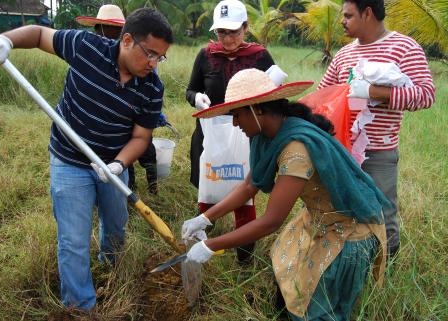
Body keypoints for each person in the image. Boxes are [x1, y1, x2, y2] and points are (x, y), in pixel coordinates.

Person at [0, 8, 173, 309]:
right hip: (69, 161)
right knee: (72, 242)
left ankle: (111, 269)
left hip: (113, 165)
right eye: (150, 53)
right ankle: (81, 308)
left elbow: (141, 138)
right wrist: (5, 41)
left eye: (160, 57)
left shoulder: (152, 86)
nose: (153, 63)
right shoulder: (86, 48)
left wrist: (118, 165)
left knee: (115, 228)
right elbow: (39, 34)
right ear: (126, 41)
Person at [181, 68, 391, 320]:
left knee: (318, 309)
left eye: (237, 115)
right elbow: (250, 186)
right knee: (287, 273)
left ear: (256, 109)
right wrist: (206, 218)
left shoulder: (295, 149)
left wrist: (209, 246)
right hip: (319, 217)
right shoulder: (268, 134)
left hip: (348, 229)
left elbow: (271, 221)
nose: (235, 123)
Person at [318, 0, 435, 257]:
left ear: (367, 13)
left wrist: (374, 92)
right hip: (343, 149)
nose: (342, 21)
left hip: (379, 151)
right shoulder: (344, 54)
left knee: (383, 214)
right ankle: (350, 264)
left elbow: (426, 95)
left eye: (348, 15)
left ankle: (384, 270)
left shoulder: (404, 48)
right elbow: (322, 93)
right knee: (344, 210)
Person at [185, 0, 277, 264]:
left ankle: (244, 259)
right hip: (210, 134)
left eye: (234, 32)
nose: (227, 38)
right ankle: (202, 245)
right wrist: (197, 98)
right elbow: (190, 90)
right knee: (209, 190)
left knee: (244, 194)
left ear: (246, 28)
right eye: (221, 32)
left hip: (246, 135)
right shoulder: (206, 55)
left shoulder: (259, 56)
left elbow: (274, 91)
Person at [76, 4, 162, 195]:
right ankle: (126, 189)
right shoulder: (91, 53)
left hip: (134, 114)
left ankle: (152, 186)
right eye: (107, 30)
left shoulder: (137, 55)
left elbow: (150, 88)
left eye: (117, 30)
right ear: (98, 29)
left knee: (144, 148)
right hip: (104, 124)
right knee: (119, 155)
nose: (110, 36)